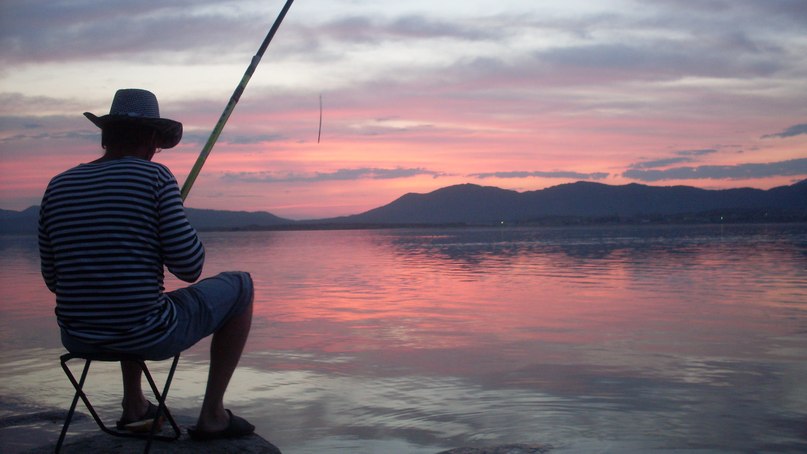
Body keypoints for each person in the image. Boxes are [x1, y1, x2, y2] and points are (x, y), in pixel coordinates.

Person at [38, 88, 255, 440]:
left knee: (132, 296)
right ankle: (213, 415)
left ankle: (134, 406)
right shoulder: (155, 179)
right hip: (147, 333)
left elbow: (52, 279)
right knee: (241, 286)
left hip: (78, 336)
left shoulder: (58, 185)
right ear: (153, 137)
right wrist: (174, 217)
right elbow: (190, 267)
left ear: (107, 135)